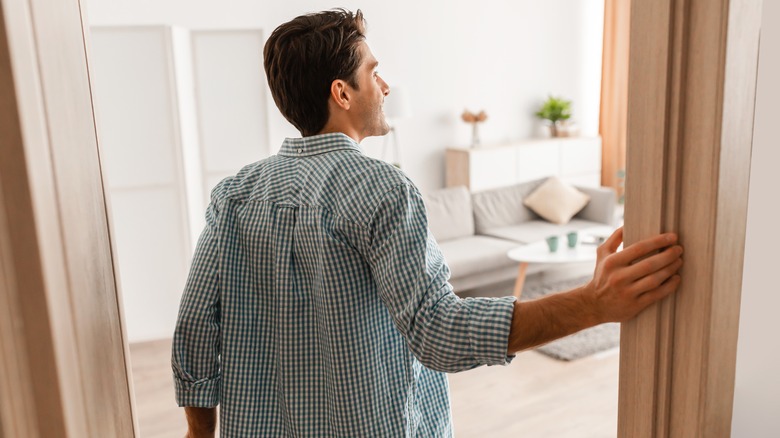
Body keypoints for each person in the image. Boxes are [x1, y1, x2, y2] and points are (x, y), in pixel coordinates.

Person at [172, 9, 683, 437]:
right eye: (374, 71)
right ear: (342, 94)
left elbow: (194, 333)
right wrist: (592, 303)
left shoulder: (233, 196)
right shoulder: (382, 189)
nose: (386, 85)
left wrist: (200, 434)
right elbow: (438, 332)